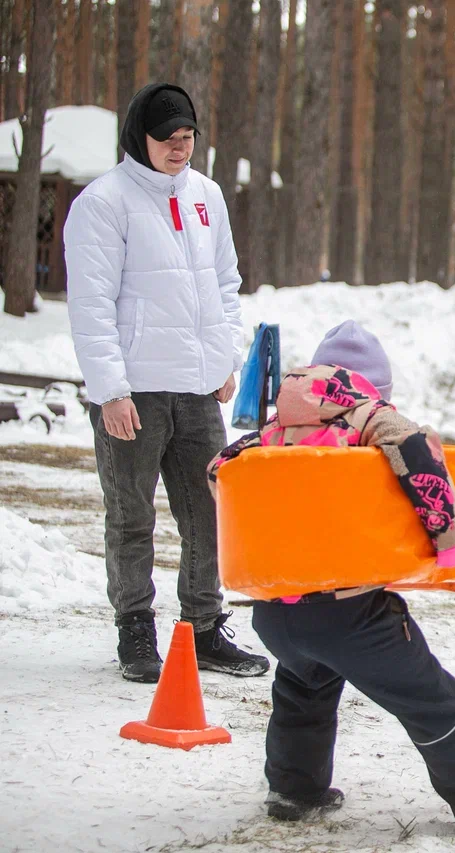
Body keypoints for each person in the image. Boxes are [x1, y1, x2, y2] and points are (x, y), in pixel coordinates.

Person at [206, 321, 455, 836]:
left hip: (278, 610)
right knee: (430, 700)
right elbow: (418, 460)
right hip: (350, 611)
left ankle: (294, 792)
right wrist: (448, 543)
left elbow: (219, 468)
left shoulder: (275, 430)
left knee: (303, 691)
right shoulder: (372, 417)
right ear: (373, 388)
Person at [63, 82, 268, 683]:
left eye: (188, 139)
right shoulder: (103, 203)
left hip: (197, 388)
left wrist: (224, 357)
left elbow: (226, 281)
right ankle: (134, 631)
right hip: (135, 390)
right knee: (132, 516)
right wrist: (110, 390)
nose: (180, 150)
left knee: (208, 513)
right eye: (168, 139)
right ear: (139, 138)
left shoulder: (206, 195)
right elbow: (91, 305)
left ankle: (203, 630)